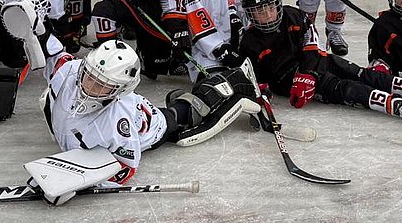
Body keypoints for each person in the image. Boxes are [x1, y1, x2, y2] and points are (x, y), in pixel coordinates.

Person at [39, 39, 260, 187]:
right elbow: (58, 58)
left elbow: (126, 167)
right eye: (89, 75)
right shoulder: (70, 71)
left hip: (157, 126)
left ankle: (238, 79)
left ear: (119, 91)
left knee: (193, 110)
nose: (89, 87)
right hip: (139, 111)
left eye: (102, 85)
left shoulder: (118, 122)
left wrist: (80, 181)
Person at [222, 0, 402, 123]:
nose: (267, 14)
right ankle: (398, 106)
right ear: (250, 13)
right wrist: (261, 91)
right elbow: (253, 78)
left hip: (315, 62)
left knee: (360, 73)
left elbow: (312, 43)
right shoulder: (248, 42)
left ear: (277, 3)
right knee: (344, 89)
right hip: (291, 81)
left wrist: (307, 73)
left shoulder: (293, 15)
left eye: (270, 6)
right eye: (259, 10)